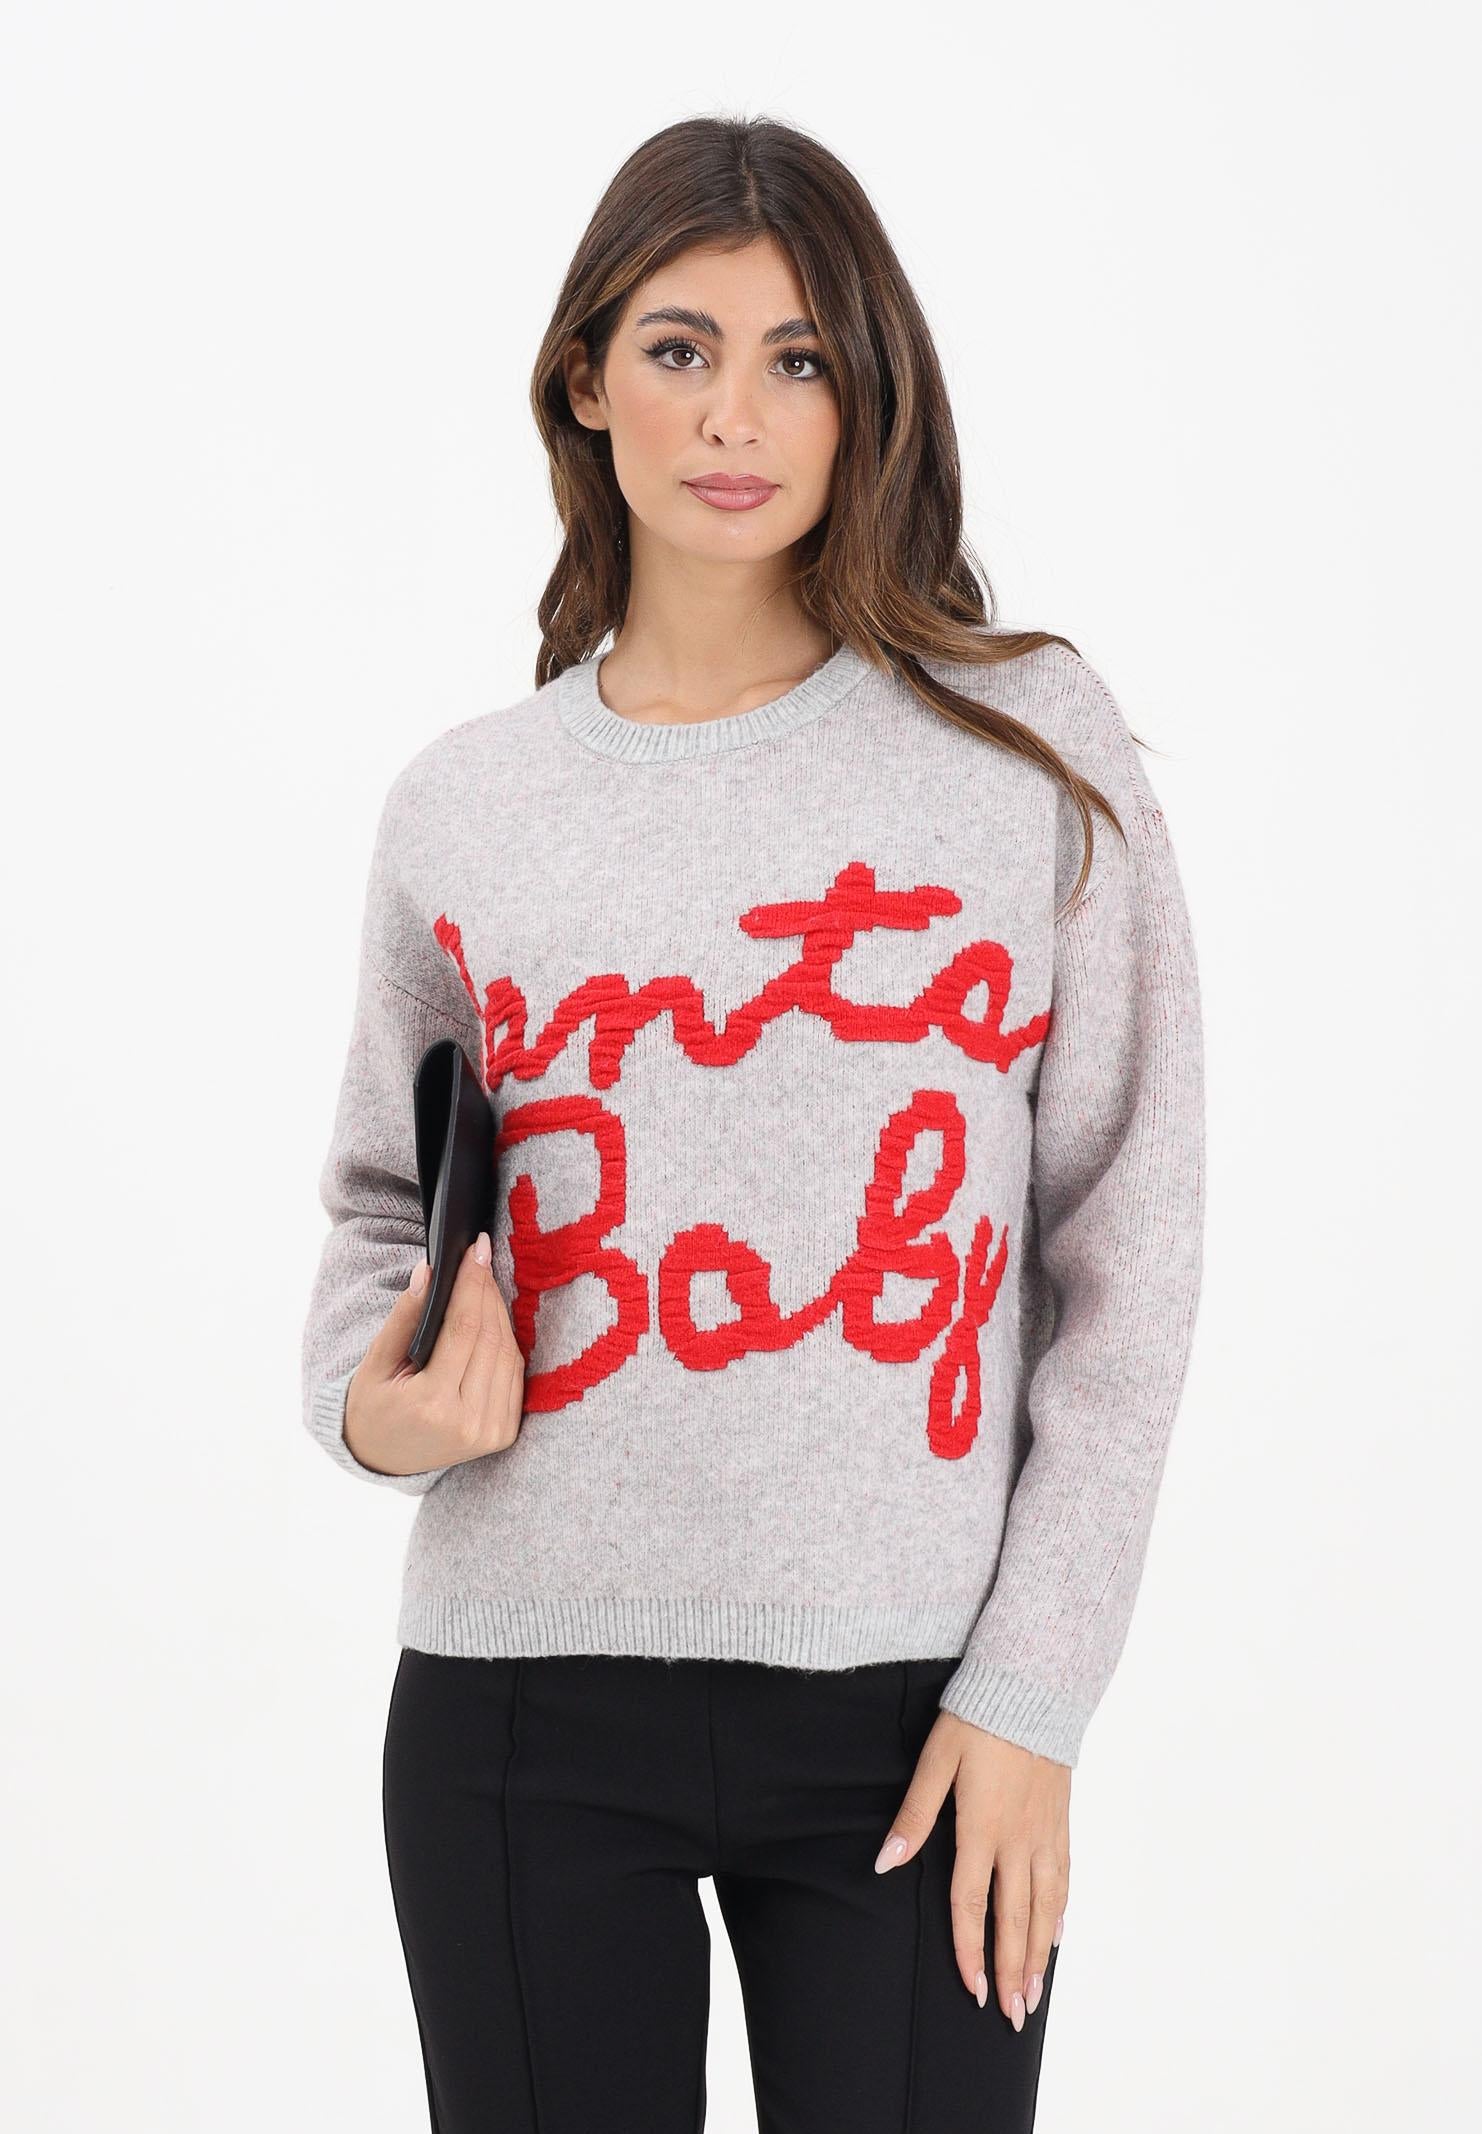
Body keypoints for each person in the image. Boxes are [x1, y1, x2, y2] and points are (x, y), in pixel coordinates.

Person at [299, 112, 1206, 2134]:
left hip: (917, 1725)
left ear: (868, 389)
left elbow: (1126, 1256)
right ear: (584, 381)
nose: (737, 413)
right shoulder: (466, 804)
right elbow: (379, 1208)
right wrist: (380, 1407)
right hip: (518, 1705)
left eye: (799, 356)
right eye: (681, 347)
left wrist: (1035, 1693)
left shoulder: (1023, 749)